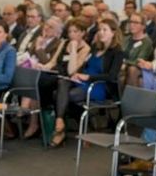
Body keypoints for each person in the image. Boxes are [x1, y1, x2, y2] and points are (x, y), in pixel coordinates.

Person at [51, 19, 124, 148]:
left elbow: (111, 76)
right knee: (60, 86)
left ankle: (65, 130)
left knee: (68, 96)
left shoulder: (117, 52)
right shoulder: (96, 47)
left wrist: (88, 77)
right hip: (83, 80)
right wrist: (77, 74)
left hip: (99, 85)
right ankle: (61, 121)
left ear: (113, 32)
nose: (101, 33)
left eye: (104, 30)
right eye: (99, 30)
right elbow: (85, 65)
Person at [122, 12, 154, 87]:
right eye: (130, 22)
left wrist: (124, 63)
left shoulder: (147, 42)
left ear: (143, 26)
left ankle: (130, 97)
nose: (132, 25)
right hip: (123, 67)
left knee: (132, 69)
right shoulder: (126, 39)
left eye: (136, 22)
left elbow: (139, 61)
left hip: (139, 69)